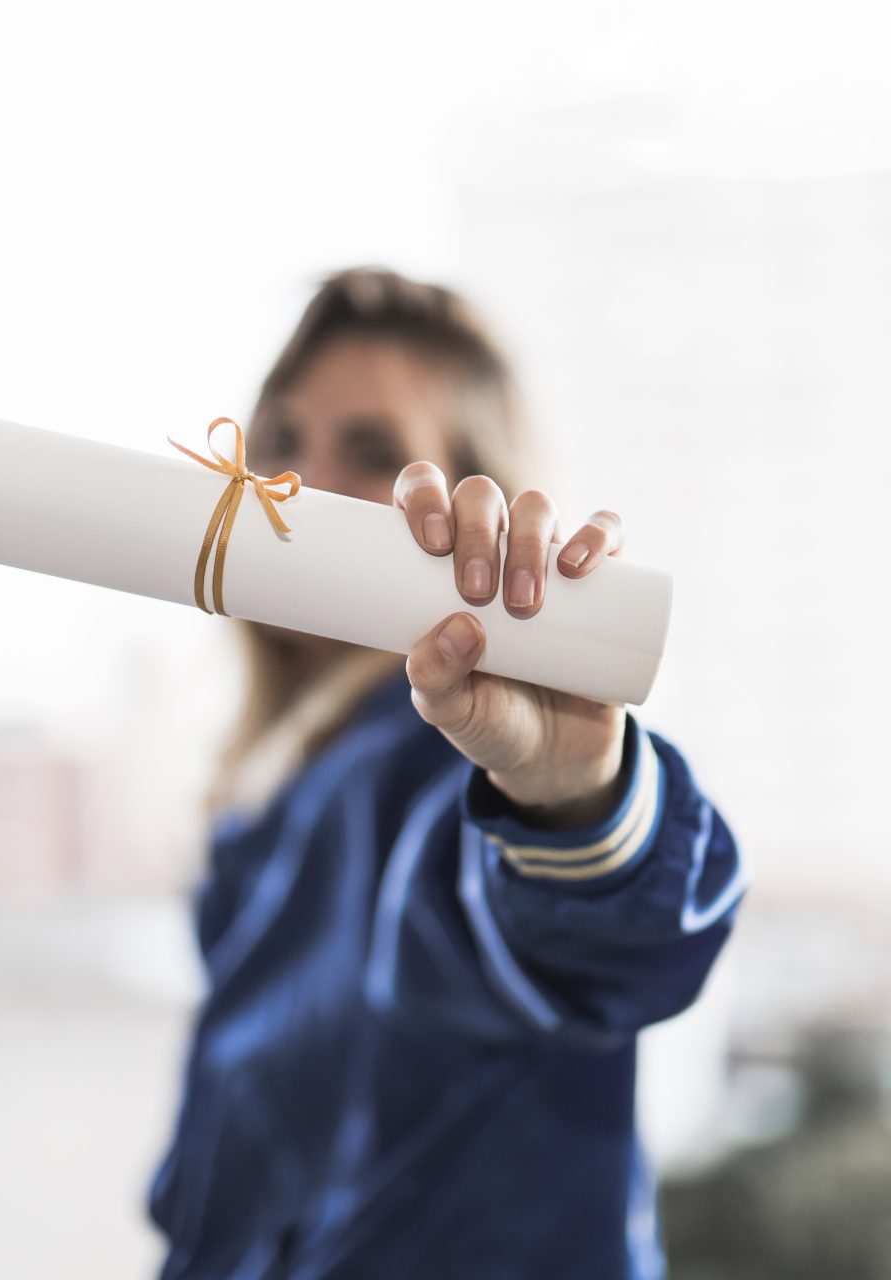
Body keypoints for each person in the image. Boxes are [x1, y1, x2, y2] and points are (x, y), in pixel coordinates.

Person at [146, 267, 746, 1280]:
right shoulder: (265, 805)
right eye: (281, 439)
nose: (301, 487)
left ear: (472, 516)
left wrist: (570, 796)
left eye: (371, 452)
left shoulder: (442, 764)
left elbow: (599, 935)